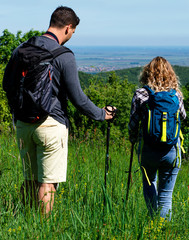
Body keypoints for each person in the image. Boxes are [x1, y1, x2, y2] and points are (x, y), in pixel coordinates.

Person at [3, 6, 116, 215]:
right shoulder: (63, 55)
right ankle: (43, 231)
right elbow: (78, 98)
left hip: (22, 124)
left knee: (30, 180)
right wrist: (101, 114)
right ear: (68, 27)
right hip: (50, 124)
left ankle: (26, 223)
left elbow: (7, 84)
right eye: (73, 31)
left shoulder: (21, 48)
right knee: (48, 184)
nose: (72, 35)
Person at [128, 56, 186, 221]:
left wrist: (133, 139)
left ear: (147, 73)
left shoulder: (141, 94)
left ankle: (152, 222)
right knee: (166, 196)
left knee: (149, 184)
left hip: (148, 149)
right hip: (171, 151)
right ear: (170, 74)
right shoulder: (176, 95)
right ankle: (162, 230)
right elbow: (183, 116)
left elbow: (133, 123)